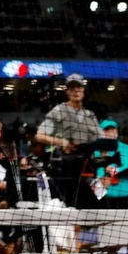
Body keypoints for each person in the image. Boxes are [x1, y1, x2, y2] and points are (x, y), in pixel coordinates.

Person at [34, 77, 102, 208]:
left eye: (79, 87)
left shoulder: (90, 115)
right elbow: (39, 135)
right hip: (63, 169)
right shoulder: (59, 111)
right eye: (72, 88)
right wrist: (61, 142)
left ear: (83, 90)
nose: (76, 91)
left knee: (95, 210)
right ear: (67, 92)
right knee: (71, 209)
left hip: (84, 170)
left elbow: (100, 139)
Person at [91, 119, 128, 209]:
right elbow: (98, 174)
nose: (111, 132)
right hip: (103, 199)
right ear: (101, 132)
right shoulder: (96, 150)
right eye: (107, 130)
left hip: (125, 198)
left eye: (113, 129)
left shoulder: (127, 148)